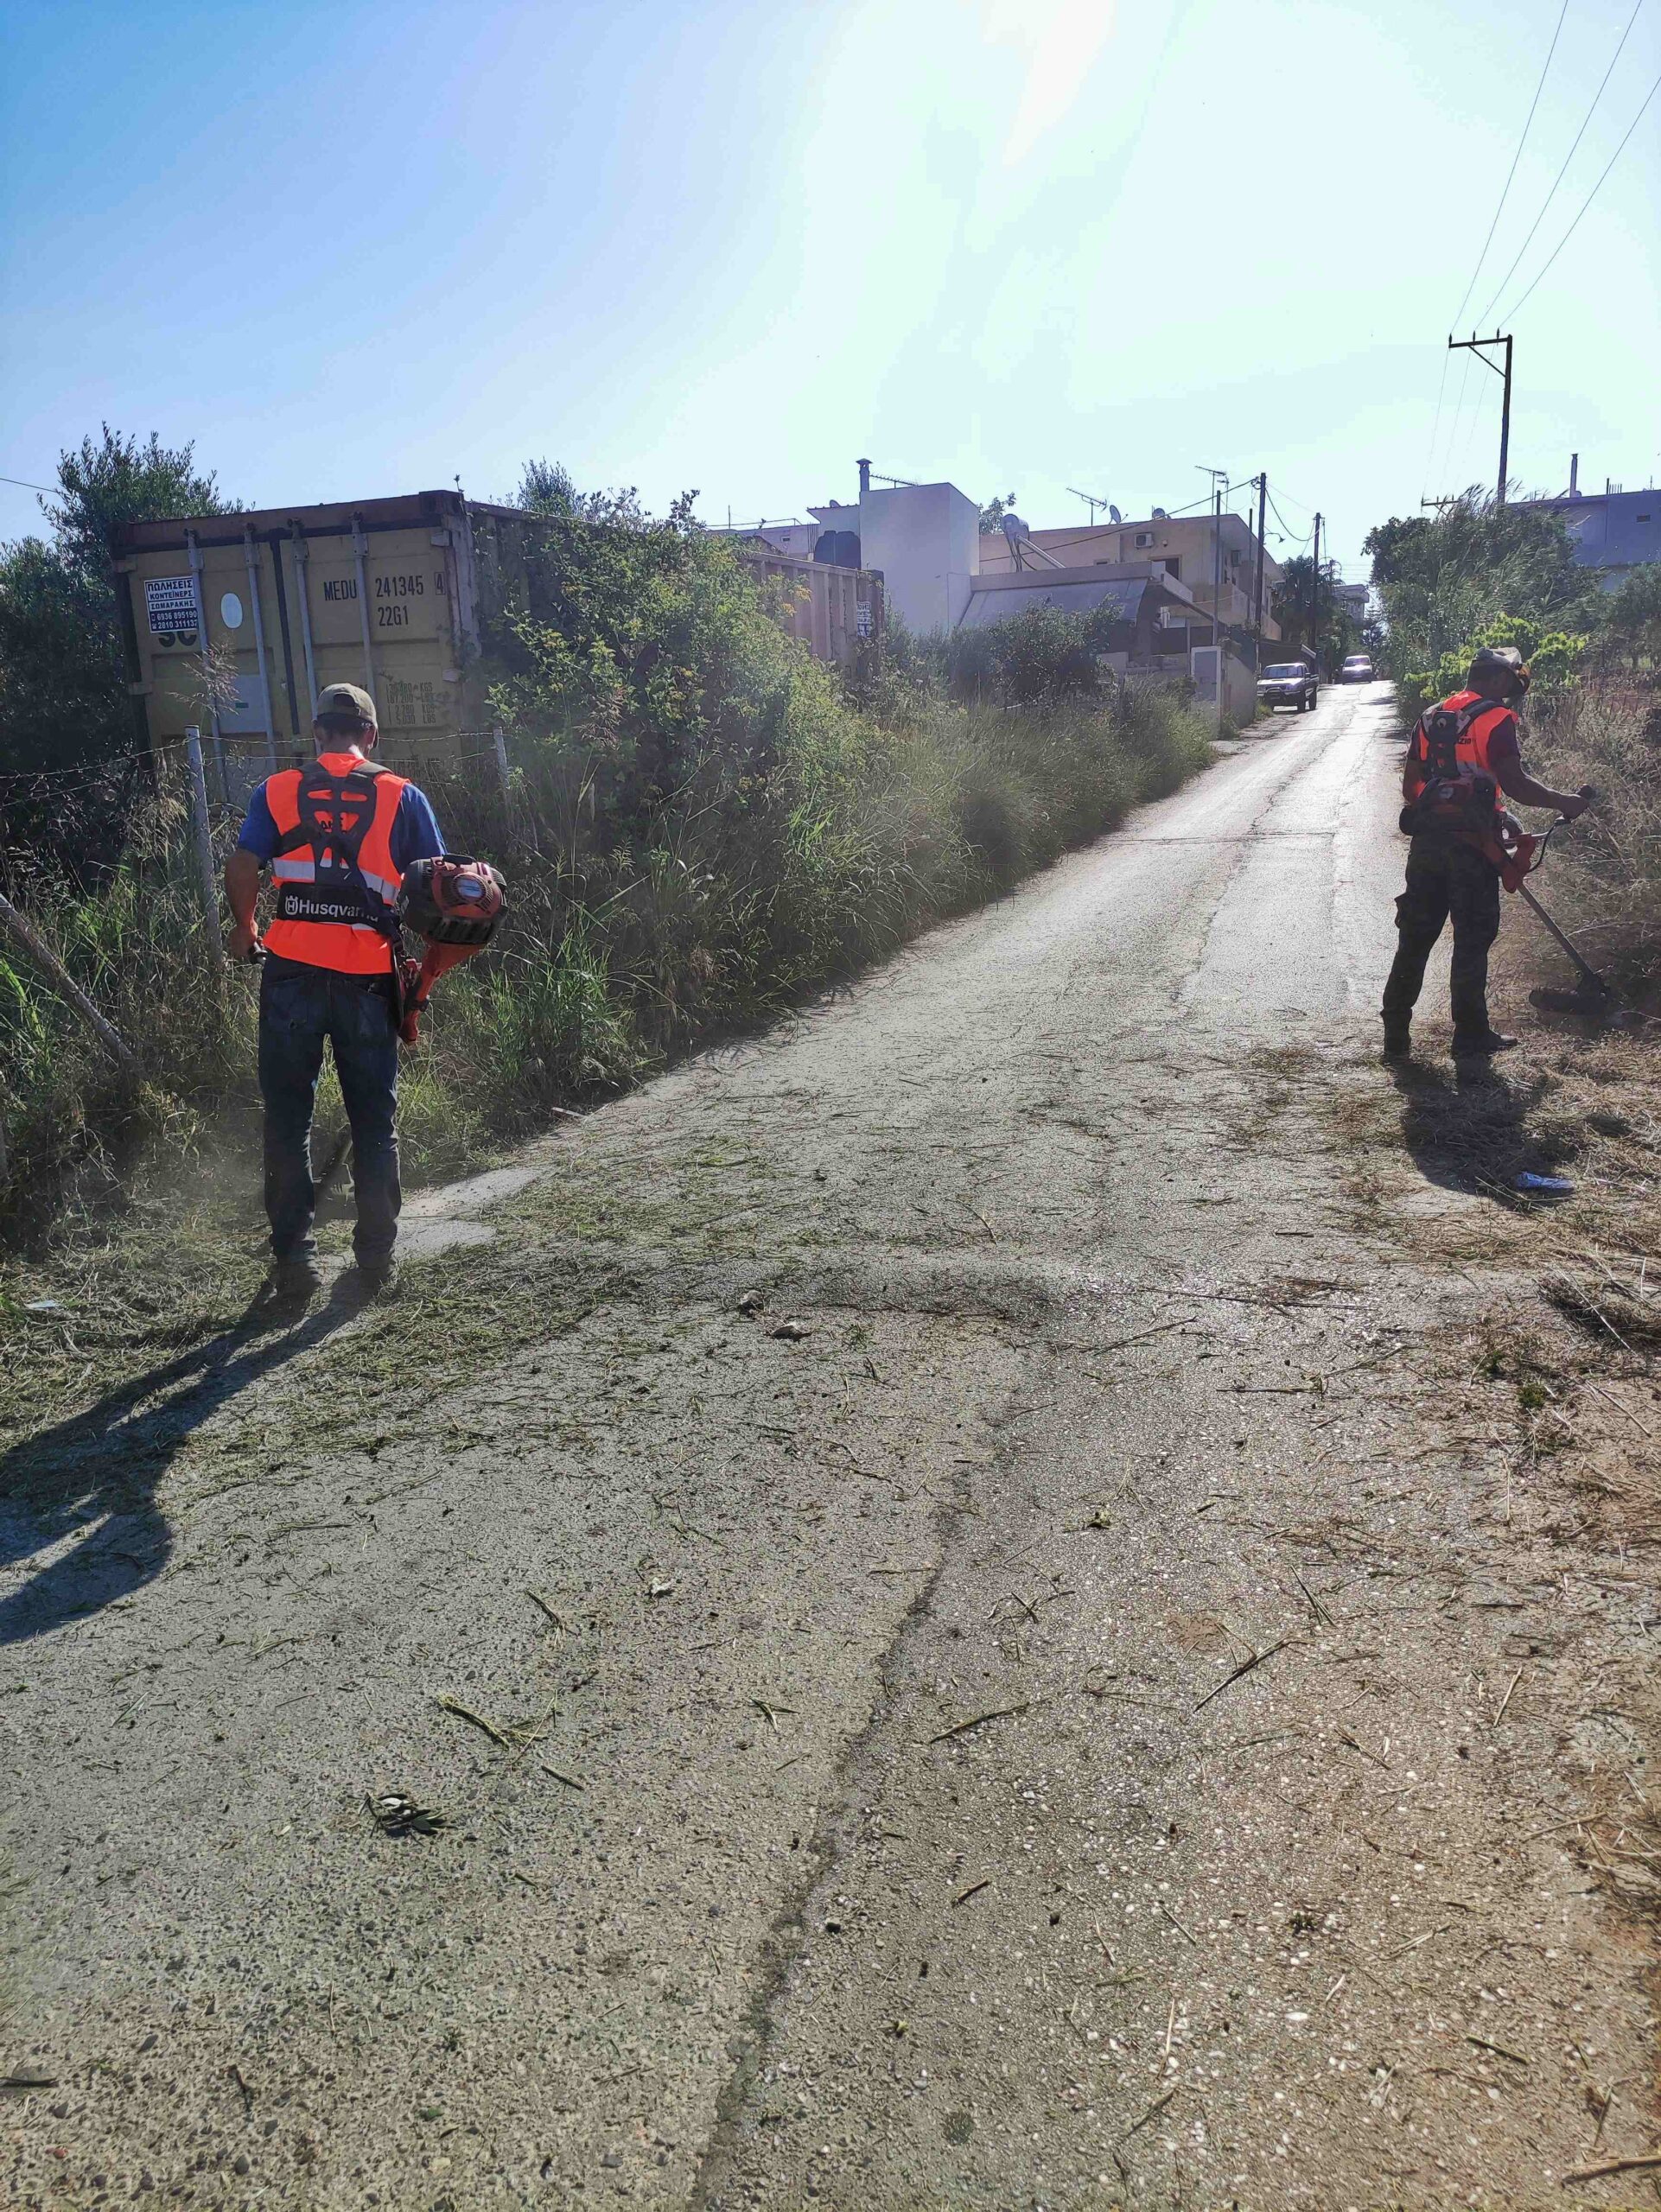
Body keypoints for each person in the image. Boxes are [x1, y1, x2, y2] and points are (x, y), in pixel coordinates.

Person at [224, 683, 443, 1302]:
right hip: (367, 977)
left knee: (288, 1122)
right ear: (370, 735)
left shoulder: (276, 790)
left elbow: (244, 865)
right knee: (374, 1121)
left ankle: (296, 1263)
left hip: (289, 970)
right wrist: (423, 979)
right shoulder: (403, 795)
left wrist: (245, 931)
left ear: (318, 734)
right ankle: (374, 1261)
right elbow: (441, 888)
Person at [1381, 645, 1588, 1062]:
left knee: (1415, 937)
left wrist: (1446, 806)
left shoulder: (1430, 716)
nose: (1509, 695)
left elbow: (1411, 790)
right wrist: (1564, 801)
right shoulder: (1496, 718)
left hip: (1427, 846)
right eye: (1510, 685)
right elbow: (1514, 782)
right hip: (1473, 850)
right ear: (1497, 679)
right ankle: (1471, 1034)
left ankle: (1395, 1037)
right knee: (1472, 940)